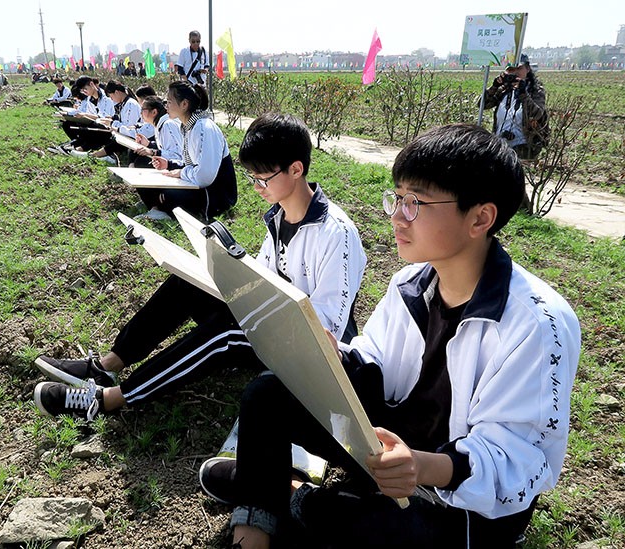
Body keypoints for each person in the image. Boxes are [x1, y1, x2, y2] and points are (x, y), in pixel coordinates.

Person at [201, 123, 581, 548]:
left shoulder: (537, 323)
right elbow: (375, 362)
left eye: (415, 202)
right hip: (390, 455)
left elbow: (516, 459)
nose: (397, 216)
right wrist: (336, 358)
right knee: (267, 394)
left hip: (463, 501)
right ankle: (255, 525)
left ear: (480, 217)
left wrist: (420, 467)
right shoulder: (411, 284)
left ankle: (286, 494)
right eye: (397, 198)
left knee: (388, 531)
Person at [33, 113, 367, 434]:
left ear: (296, 169)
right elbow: (267, 278)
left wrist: (257, 316)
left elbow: (328, 327)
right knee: (188, 284)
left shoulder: (336, 233)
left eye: (262, 178)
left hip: (310, 351)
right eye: (251, 177)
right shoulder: (279, 216)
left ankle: (107, 400)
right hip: (272, 319)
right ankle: (106, 366)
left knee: (225, 334)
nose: (255, 187)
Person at [142, 80, 236, 220]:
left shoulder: (205, 128)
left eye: (169, 101)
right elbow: (192, 164)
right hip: (197, 185)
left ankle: (161, 209)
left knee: (168, 194)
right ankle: (159, 208)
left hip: (215, 196)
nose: (166, 106)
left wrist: (181, 172)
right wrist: (170, 165)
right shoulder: (188, 127)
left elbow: (204, 177)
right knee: (150, 182)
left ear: (184, 104)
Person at [483, 54, 548, 161]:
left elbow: (537, 114)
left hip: (524, 147)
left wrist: (523, 93)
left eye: (519, 68)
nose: (515, 72)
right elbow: (482, 105)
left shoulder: (535, 90)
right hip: (501, 144)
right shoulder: (504, 90)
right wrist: (494, 87)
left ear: (527, 69)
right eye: (511, 69)